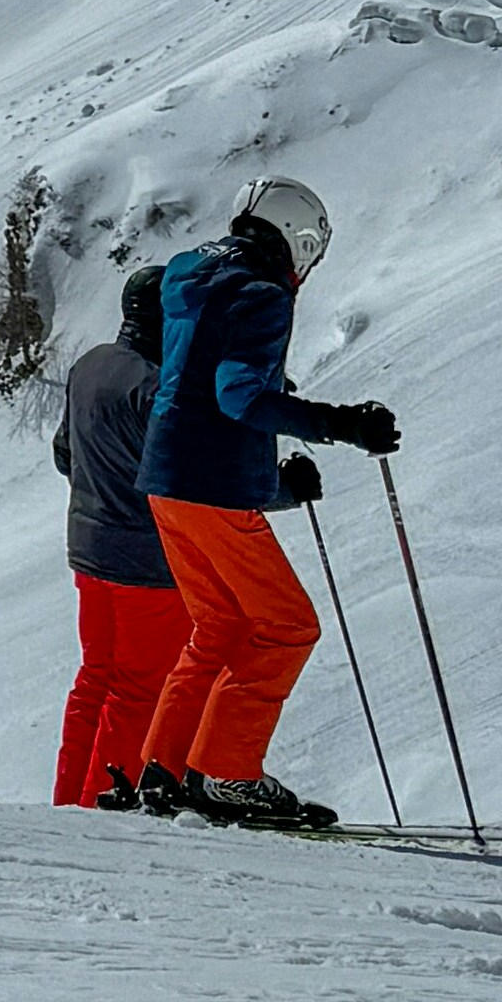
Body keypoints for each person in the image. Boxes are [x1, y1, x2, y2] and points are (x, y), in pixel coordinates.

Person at [134, 173, 397, 829]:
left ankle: (165, 772)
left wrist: (273, 481)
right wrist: (342, 423)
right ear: (300, 243)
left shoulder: (191, 279)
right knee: (288, 627)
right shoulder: (261, 293)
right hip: (212, 489)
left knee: (220, 629)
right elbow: (237, 397)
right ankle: (227, 774)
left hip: (165, 482)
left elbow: (198, 386)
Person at [50, 267, 182, 808]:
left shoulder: (91, 365)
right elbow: (189, 475)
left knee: (96, 681)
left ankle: (69, 804)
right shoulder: (154, 386)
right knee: (139, 691)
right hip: (145, 564)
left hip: (89, 552)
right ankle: (101, 814)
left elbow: (65, 454)